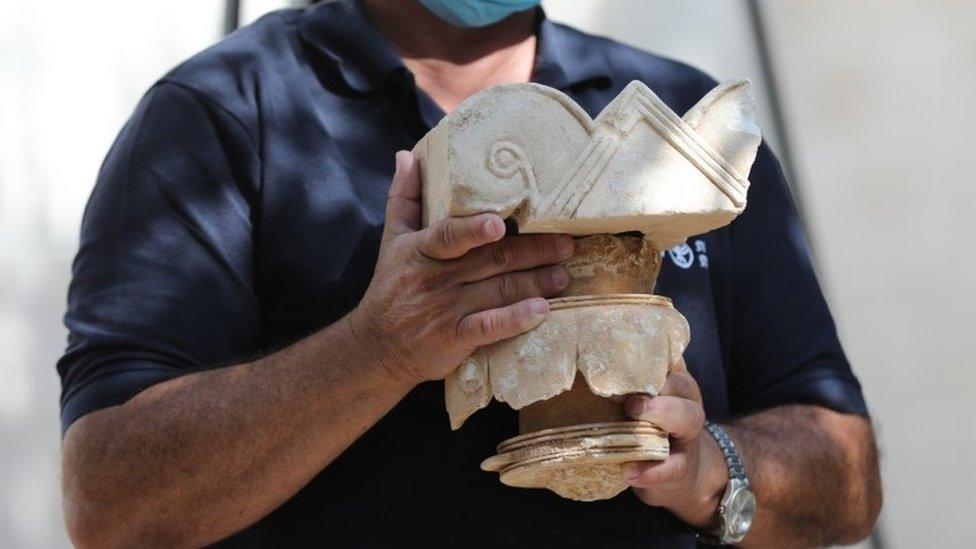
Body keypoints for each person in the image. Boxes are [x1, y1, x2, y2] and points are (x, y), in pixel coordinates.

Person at [58, 0, 881, 547]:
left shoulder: (677, 124)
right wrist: (378, 352)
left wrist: (714, 472)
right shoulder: (223, 115)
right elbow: (108, 501)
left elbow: (849, 472)